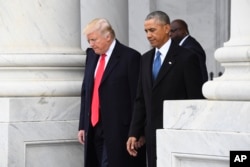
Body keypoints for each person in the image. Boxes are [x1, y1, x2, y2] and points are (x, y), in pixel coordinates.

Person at [126, 11, 204, 167]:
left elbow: (195, 100)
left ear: (167, 28)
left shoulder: (186, 57)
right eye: (146, 31)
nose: (148, 35)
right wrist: (135, 132)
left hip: (177, 134)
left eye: (152, 30)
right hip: (151, 135)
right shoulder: (145, 58)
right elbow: (141, 98)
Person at [77, 18, 146, 167]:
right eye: (89, 41)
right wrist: (83, 125)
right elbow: (86, 92)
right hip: (94, 127)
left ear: (108, 36)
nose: (91, 44)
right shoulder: (91, 56)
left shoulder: (130, 57)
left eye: (94, 40)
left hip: (119, 129)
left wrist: (137, 131)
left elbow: (137, 97)